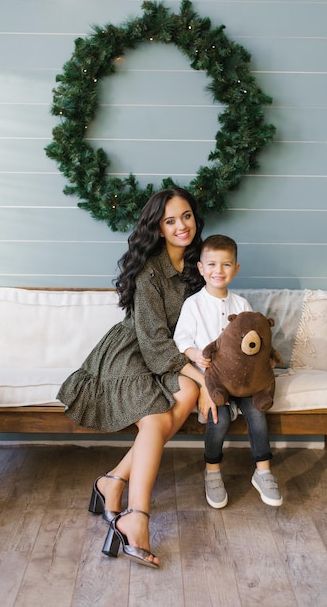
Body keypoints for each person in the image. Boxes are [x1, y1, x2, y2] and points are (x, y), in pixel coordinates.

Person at [56, 187, 212, 569]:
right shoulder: (149, 270)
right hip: (132, 352)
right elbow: (156, 345)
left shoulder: (200, 264)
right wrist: (208, 381)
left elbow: (207, 319)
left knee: (187, 394)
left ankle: (112, 481)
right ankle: (136, 517)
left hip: (172, 355)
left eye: (186, 216)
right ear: (158, 228)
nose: (181, 226)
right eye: (170, 220)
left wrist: (205, 374)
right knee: (159, 418)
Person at [173, 234, 283, 510]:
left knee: (257, 413)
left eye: (225, 265)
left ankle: (263, 471)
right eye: (211, 265)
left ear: (236, 269)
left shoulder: (241, 305)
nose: (218, 271)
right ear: (200, 268)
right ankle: (212, 472)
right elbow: (181, 339)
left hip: (244, 381)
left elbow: (253, 340)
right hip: (213, 382)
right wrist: (195, 354)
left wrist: (265, 360)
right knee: (218, 418)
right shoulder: (194, 305)